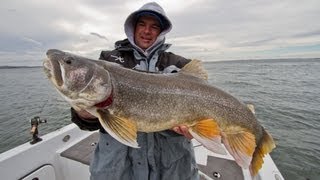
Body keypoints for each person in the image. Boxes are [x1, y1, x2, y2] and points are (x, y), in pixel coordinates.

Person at [71, 2, 199, 180]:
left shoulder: (179, 65)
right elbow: (91, 122)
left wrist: (194, 129)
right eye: (142, 24)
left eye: (154, 26)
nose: (147, 31)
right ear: (133, 27)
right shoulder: (108, 61)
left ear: (161, 32)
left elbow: (199, 120)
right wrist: (84, 114)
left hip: (172, 168)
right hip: (119, 168)